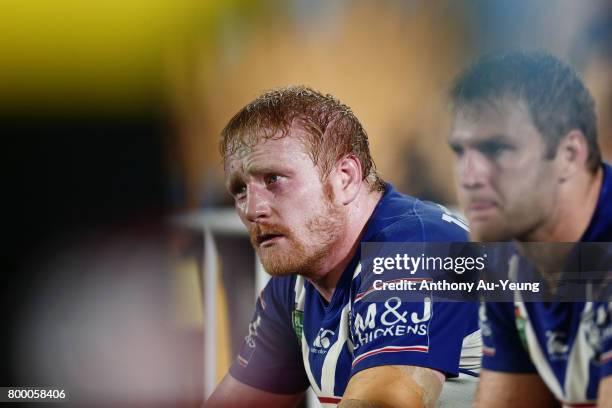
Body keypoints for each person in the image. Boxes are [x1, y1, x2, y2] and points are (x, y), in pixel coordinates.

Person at [207, 86, 480, 407]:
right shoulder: (294, 284)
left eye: (274, 179)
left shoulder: (416, 246)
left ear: (345, 178)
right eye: (240, 190)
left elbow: (383, 404)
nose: (253, 209)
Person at [448, 51, 612, 407]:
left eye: (498, 149)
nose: (469, 176)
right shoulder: (510, 259)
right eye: (461, 151)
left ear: (569, 154)